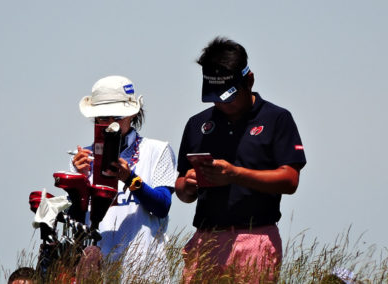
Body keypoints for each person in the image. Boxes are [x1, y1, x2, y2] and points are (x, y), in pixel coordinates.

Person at [175, 37, 307, 283]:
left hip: (255, 238)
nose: (221, 104)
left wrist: (235, 174)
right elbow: (182, 190)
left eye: (228, 96)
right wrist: (188, 185)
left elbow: (290, 180)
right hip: (206, 238)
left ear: (249, 80)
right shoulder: (196, 124)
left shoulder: (277, 119)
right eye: (215, 96)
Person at [71, 75, 177, 280]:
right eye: (103, 117)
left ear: (132, 113)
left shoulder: (157, 150)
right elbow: (76, 220)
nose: (111, 124)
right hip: (96, 270)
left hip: (145, 267)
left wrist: (130, 179)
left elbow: (162, 206)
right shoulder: (82, 158)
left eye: (117, 116)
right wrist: (79, 183)